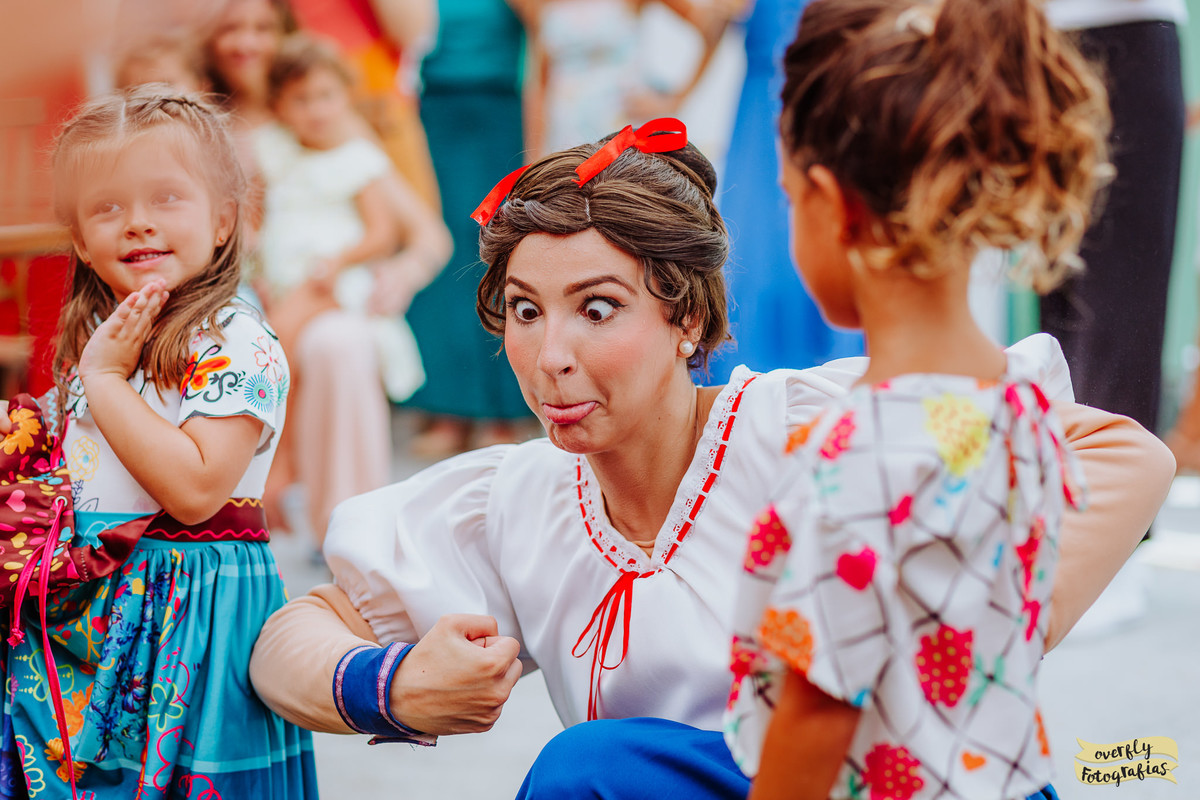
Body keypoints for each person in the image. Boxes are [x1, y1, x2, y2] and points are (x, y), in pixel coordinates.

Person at [247, 118, 1173, 798]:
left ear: (685, 316)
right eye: (526, 310)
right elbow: (291, 639)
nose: (551, 353)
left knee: (587, 769)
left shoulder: (801, 428)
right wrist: (391, 685)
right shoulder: (515, 500)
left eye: (598, 307)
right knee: (589, 772)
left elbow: (1121, 455)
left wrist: (958, 640)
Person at [720, 1, 1113, 798]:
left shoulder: (851, 459)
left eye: (789, 197)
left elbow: (817, 723)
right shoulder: (1022, 406)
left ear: (833, 206)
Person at [0, 87, 315, 797]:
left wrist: (105, 380)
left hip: (189, 618)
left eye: (167, 197)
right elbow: (71, 453)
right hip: (93, 612)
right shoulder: (101, 345)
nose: (138, 223)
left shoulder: (236, 340)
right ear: (80, 237)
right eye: (107, 207)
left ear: (225, 219)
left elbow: (198, 490)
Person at [254, 32, 428, 545]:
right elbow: (262, 221)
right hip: (289, 282)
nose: (317, 110)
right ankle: (283, 473)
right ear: (280, 106)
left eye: (327, 96)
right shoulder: (276, 153)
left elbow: (383, 231)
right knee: (280, 339)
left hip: (337, 281)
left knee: (276, 342)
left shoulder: (357, 158)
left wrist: (339, 260)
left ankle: (278, 466)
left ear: (345, 97)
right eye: (301, 100)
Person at [1037, 0, 1186, 437]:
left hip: (1114, 31)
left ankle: (1102, 493)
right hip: (1038, 39)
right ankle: (1079, 492)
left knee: (1108, 317)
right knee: (1070, 323)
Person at [705, 0, 863, 382]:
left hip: (832, 86)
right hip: (764, 102)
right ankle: (754, 369)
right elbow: (712, 16)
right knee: (758, 237)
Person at [402, 0, 535, 458]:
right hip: (431, 108)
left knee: (498, 244)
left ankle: (503, 409)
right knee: (441, 254)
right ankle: (448, 408)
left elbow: (549, 31)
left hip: (501, 107)